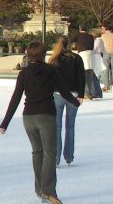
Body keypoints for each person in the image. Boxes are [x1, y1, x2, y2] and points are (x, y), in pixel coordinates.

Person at [0, 42, 81, 204]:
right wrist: (75, 101)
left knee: (37, 152)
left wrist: (5, 123)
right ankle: (48, 191)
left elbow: (16, 98)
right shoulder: (51, 70)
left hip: (28, 117)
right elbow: (63, 91)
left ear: (28, 54)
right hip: (46, 115)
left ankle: (40, 189)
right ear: (43, 54)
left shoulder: (23, 73)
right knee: (50, 154)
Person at [47, 36, 85, 167]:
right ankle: (69, 156)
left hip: (57, 95)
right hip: (73, 96)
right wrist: (81, 95)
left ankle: (56, 158)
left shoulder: (53, 60)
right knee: (70, 126)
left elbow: (49, 80)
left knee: (56, 128)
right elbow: (81, 77)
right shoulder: (76, 58)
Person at [72, 25, 95, 100]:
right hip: (91, 55)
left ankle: (86, 93)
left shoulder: (78, 35)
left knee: (83, 75)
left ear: (80, 29)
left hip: (83, 55)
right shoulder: (91, 36)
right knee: (89, 74)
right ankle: (89, 93)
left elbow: (70, 40)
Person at [89, 32, 107, 99]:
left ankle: (95, 92)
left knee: (94, 74)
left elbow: (95, 49)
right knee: (95, 75)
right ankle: (96, 92)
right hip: (98, 56)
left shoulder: (97, 41)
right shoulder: (101, 40)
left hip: (95, 56)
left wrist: (89, 52)